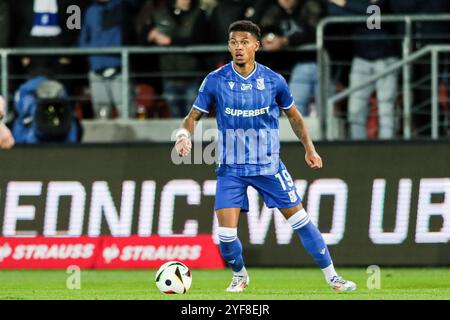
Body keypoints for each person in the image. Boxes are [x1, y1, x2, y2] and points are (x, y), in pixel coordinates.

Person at [174, 20, 356, 292]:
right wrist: (183, 136)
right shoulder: (215, 80)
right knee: (225, 236)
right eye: (234, 42)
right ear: (228, 46)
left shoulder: (273, 81)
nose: (239, 47)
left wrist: (309, 148)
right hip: (231, 168)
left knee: (300, 220)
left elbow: (294, 117)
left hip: (268, 166)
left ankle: (332, 277)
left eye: (244, 42)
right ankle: (240, 275)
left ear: (256, 46)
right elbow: (193, 116)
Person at [329, 0, 399, 139]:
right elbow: (332, 10)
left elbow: (375, 10)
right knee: (355, 108)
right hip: (360, 58)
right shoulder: (356, 3)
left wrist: (344, 4)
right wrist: (355, 9)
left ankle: (388, 147)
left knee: (386, 108)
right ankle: (357, 146)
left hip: (386, 57)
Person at [259, 0, 327, 117]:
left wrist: (285, 41)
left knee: (325, 112)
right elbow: (264, 28)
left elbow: (315, 33)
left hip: (318, 63)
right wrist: (267, 38)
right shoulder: (272, 8)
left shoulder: (311, 5)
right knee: (291, 112)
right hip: (289, 68)